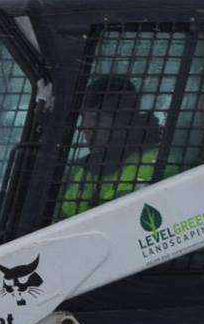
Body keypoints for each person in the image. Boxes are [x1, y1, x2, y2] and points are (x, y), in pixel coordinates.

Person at [56, 75, 169, 218]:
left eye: (96, 118)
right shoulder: (86, 173)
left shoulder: (155, 164)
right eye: (84, 118)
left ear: (122, 122)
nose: (87, 128)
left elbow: (120, 222)